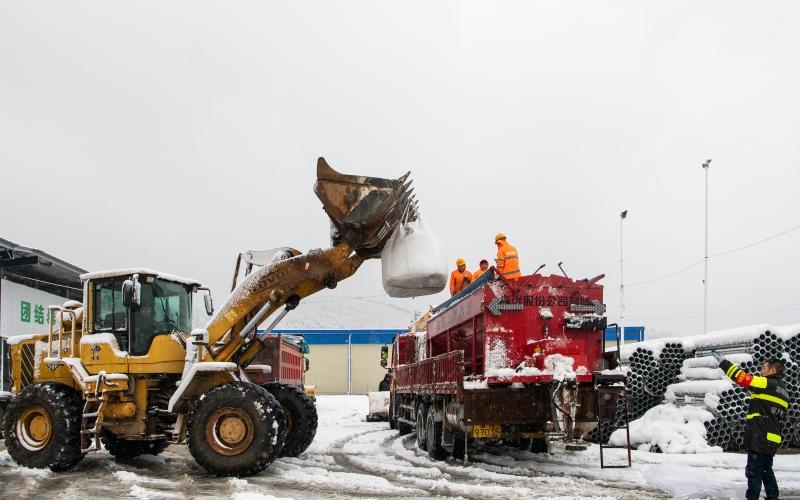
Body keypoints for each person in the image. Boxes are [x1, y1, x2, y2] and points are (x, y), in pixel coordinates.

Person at [711, 351, 790, 500]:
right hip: (772, 437)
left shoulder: (766, 382)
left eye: (764, 368)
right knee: (766, 470)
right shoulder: (784, 391)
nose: (761, 370)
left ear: (772, 370)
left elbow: (742, 378)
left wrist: (724, 363)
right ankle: (773, 497)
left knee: (753, 472)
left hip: (759, 435)